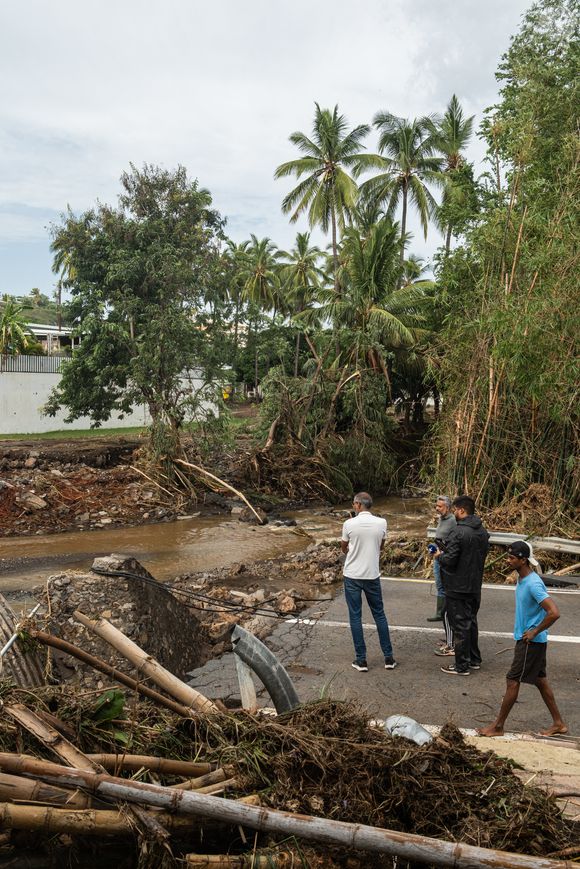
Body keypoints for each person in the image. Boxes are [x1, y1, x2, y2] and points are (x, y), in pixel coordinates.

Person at [477, 541, 567, 737]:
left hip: (530, 642)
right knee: (540, 681)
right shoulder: (522, 578)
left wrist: (534, 631)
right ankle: (559, 723)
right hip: (531, 639)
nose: (507, 561)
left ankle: (498, 726)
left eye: (512, 558)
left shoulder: (533, 584)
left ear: (523, 560)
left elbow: (554, 612)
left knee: (512, 680)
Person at [434, 495, 489, 675]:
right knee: (471, 622)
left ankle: (461, 665)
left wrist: (439, 556)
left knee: (460, 625)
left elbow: (450, 560)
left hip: (457, 586)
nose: (454, 513)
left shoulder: (459, 532)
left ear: (462, 510)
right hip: (474, 585)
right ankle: (474, 659)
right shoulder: (482, 531)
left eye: (456, 510)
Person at [341, 492, 397, 671]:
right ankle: (388, 658)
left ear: (358, 505)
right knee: (379, 614)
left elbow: (344, 548)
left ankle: (361, 660)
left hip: (352, 575)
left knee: (355, 616)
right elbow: (381, 545)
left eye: (353, 504)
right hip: (372, 575)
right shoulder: (382, 522)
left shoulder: (349, 524)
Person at [427, 495, 456, 628]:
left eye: (440, 506)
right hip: (437, 555)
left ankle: (442, 613)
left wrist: (445, 552)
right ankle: (441, 612)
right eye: (436, 506)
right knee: (439, 585)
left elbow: (455, 540)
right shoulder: (442, 519)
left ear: (448, 507)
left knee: (443, 586)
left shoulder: (453, 521)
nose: (437, 508)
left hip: (444, 558)